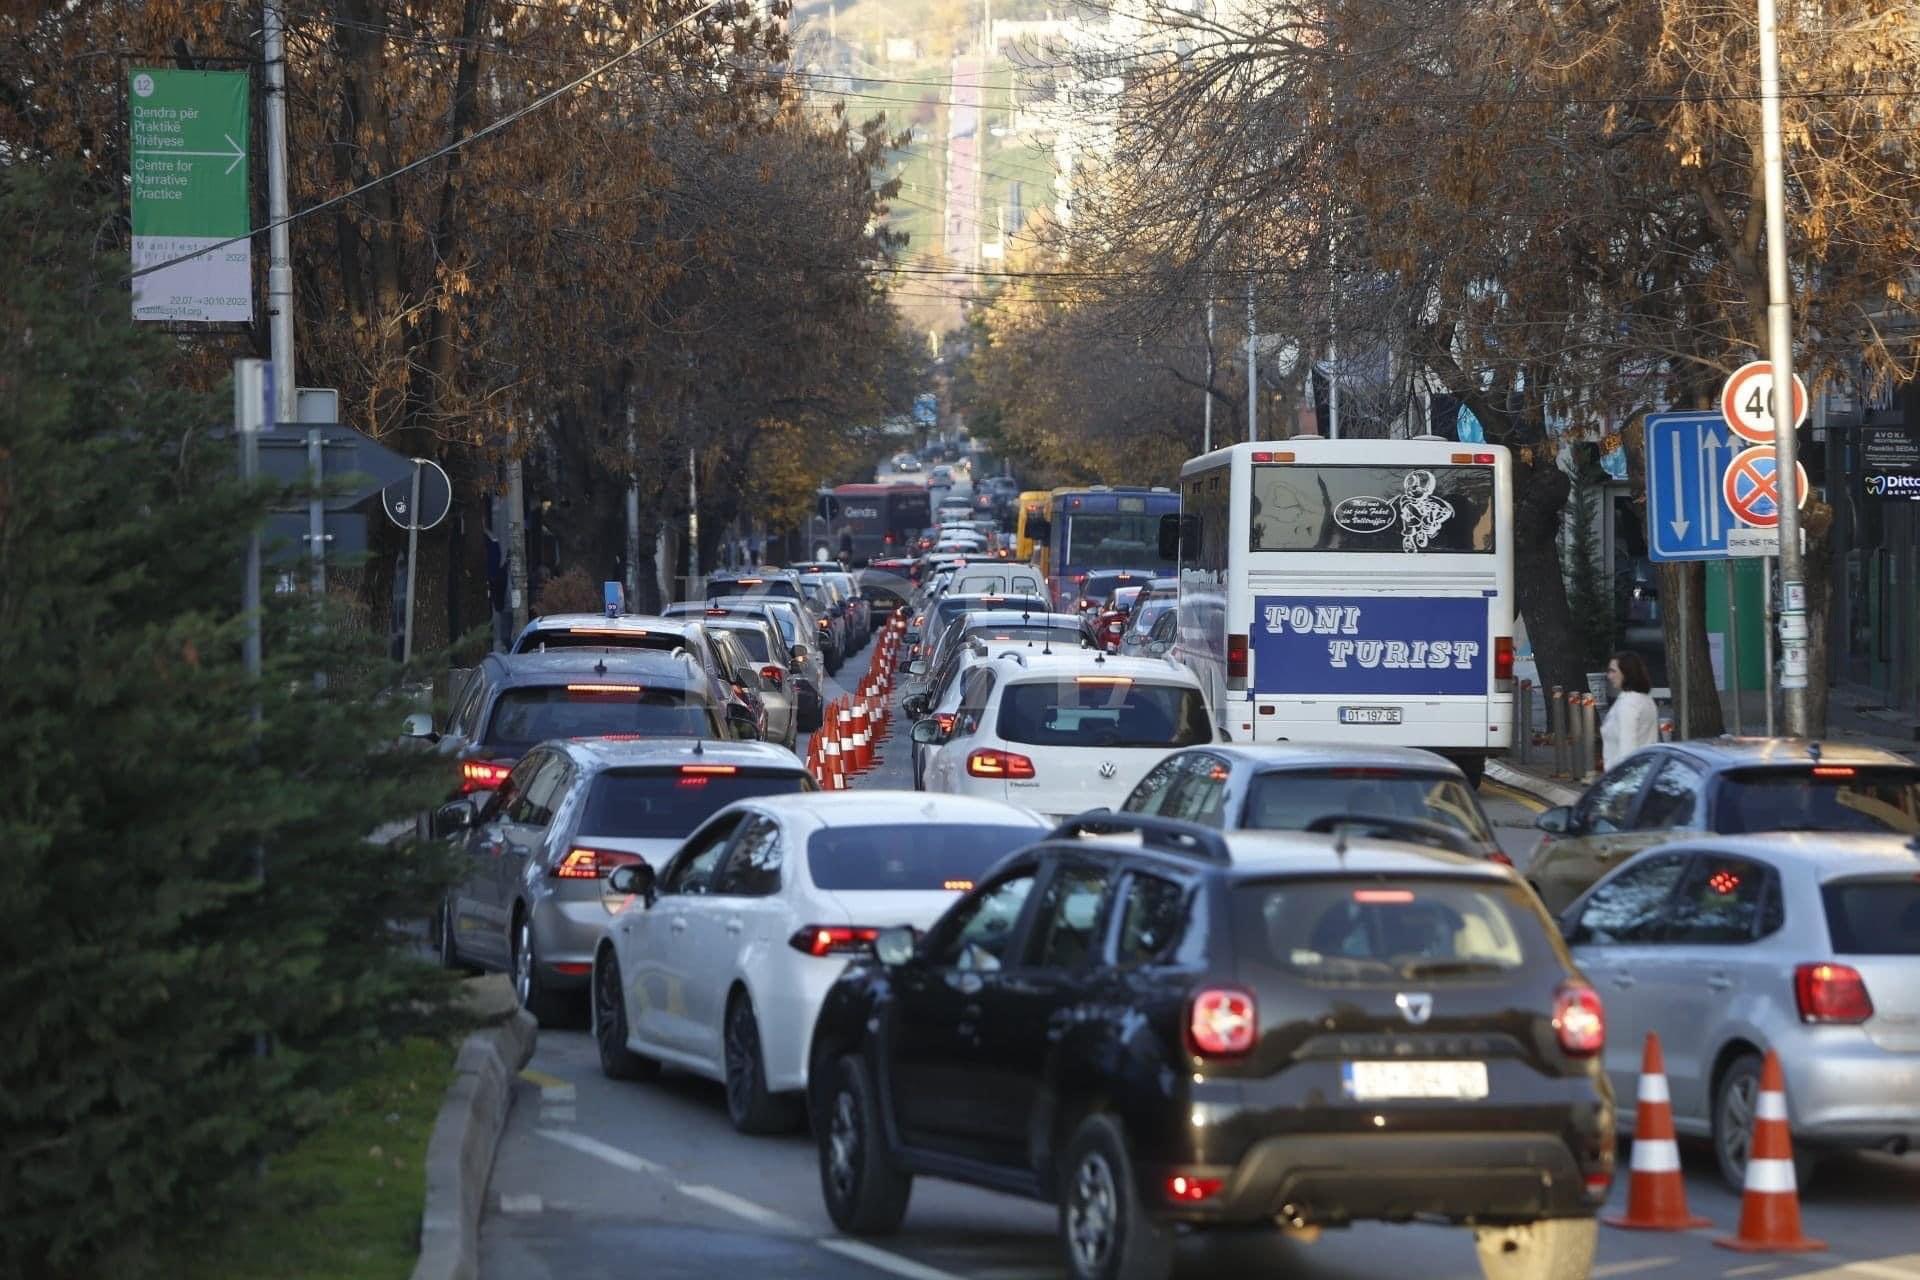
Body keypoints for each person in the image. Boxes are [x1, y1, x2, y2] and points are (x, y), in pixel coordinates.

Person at [1601, 650, 1659, 768]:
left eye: (1613, 671)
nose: (1609, 676)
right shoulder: (1647, 700)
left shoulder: (1628, 704)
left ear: (1626, 673)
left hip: (1625, 778)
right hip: (1644, 771)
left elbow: (1627, 747)